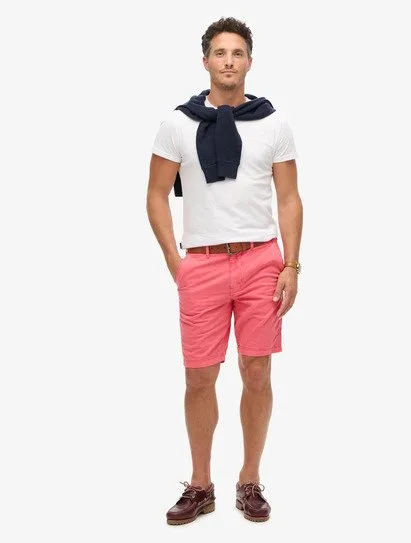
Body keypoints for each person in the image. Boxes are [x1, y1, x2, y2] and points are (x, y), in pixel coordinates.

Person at [146, 17, 303, 525]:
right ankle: (200, 484)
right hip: (203, 263)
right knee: (199, 376)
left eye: (237, 53)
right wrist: (176, 262)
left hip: (261, 260)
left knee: (257, 371)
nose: (229, 61)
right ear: (206, 61)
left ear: (249, 62)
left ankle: (249, 479)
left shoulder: (273, 123)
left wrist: (292, 264)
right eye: (220, 52)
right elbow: (155, 195)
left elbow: (289, 198)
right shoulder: (177, 124)